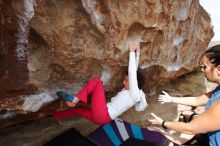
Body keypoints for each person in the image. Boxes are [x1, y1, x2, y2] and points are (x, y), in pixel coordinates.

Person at [53, 40, 148, 125]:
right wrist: (137, 52)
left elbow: (132, 73)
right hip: (102, 119)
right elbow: (133, 71)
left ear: (135, 83)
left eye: (126, 80)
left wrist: (131, 51)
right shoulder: (133, 92)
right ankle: (54, 115)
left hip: (103, 114)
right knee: (77, 110)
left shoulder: (135, 94)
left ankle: (75, 99)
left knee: (97, 82)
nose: (123, 82)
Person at [148, 45, 220, 146]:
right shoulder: (218, 90)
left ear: (218, 69)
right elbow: (197, 100)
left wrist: (163, 123)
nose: (202, 70)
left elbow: (191, 128)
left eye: (205, 67)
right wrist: (171, 99)